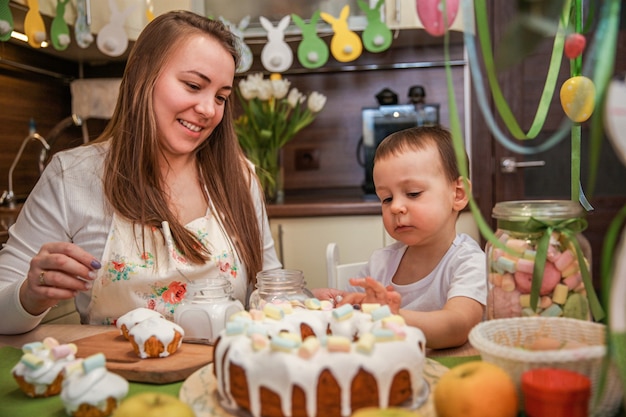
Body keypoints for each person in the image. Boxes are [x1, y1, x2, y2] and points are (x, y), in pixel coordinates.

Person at [0, 11, 281, 335]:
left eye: (220, 97)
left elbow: (269, 291)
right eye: (193, 85)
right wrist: (30, 295)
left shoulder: (239, 177)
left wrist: (310, 303)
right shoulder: (72, 177)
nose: (208, 110)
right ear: (142, 76)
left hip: (217, 379)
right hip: (113, 381)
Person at [317, 126, 486, 349]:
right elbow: (358, 308)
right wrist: (335, 300)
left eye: (413, 193)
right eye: (386, 198)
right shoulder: (381, 263)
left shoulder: (470, 262)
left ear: (458, 194)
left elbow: (457, 327)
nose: (395, 207)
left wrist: (391, 316)